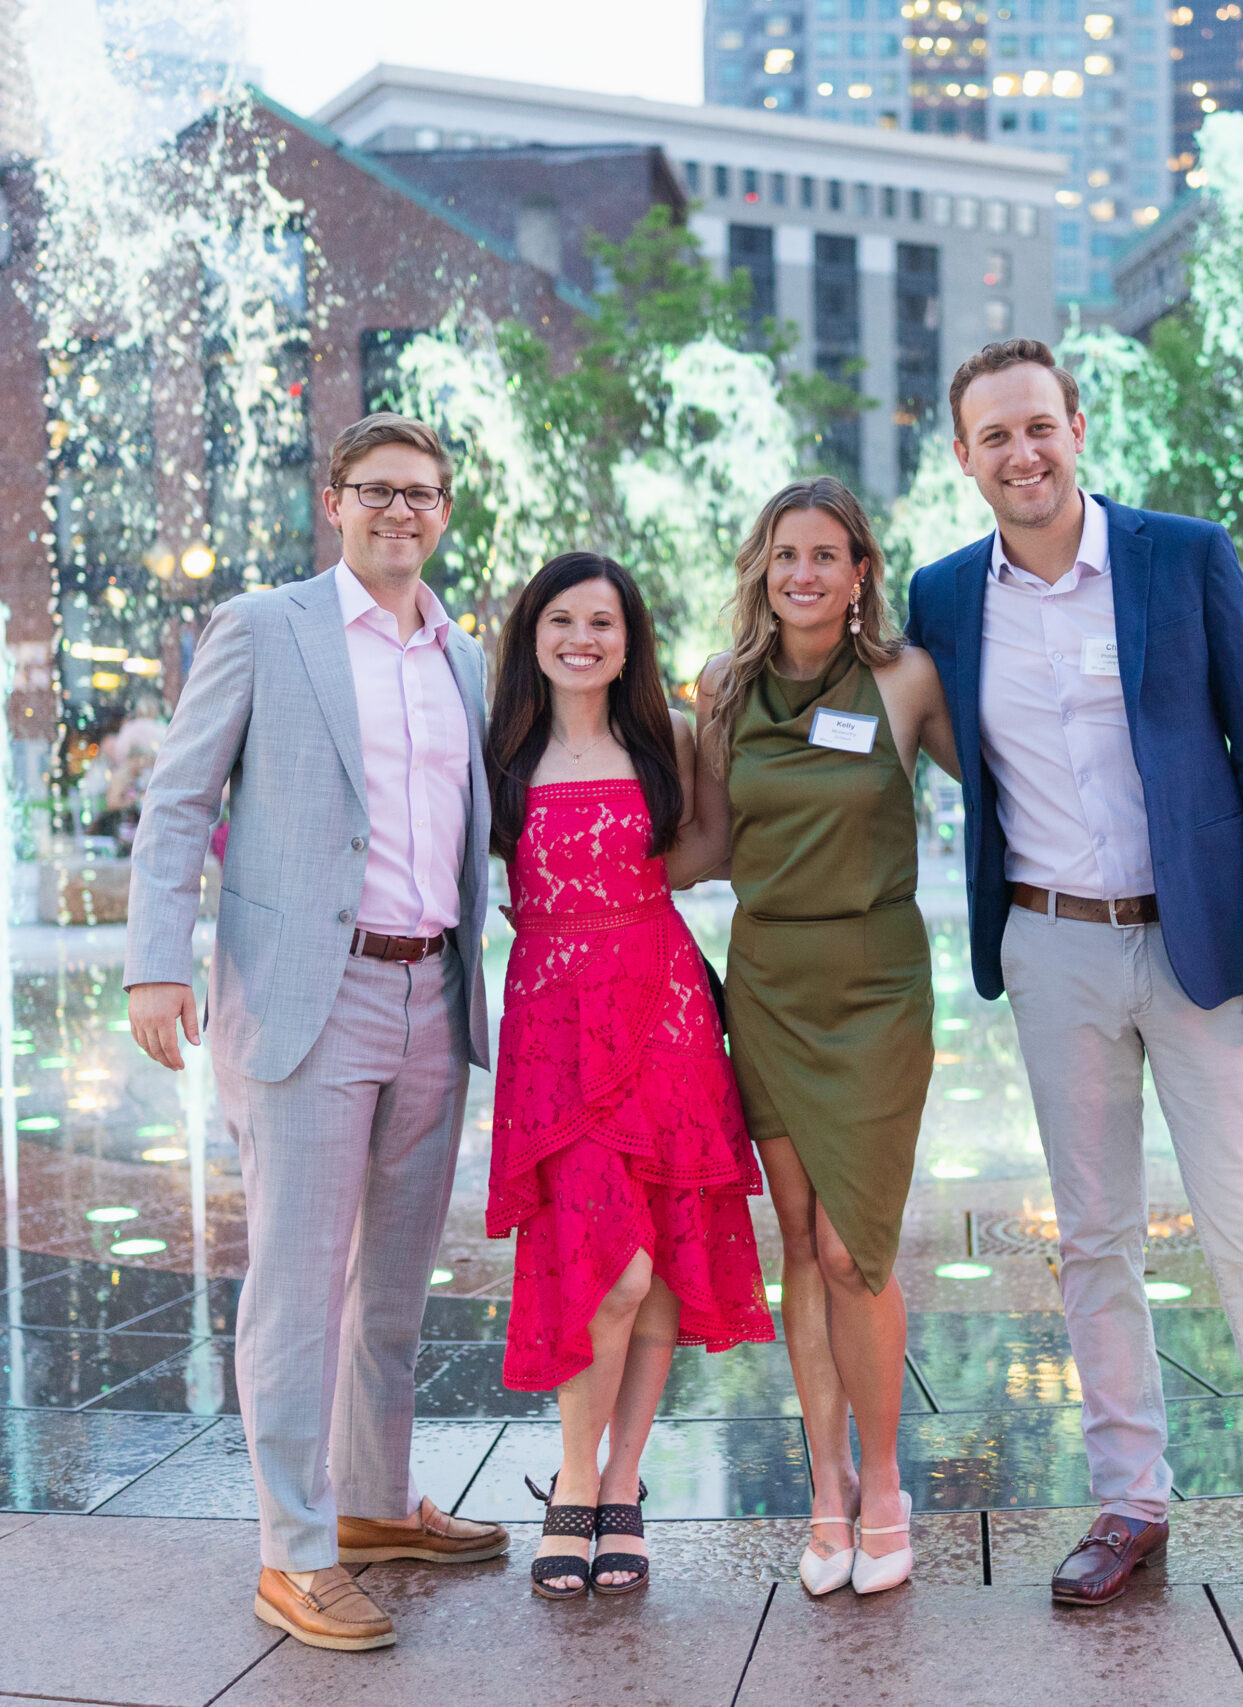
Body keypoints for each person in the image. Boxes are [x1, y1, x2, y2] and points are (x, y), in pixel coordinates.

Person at [903, 339, 1243, 1630]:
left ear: (1077, 426)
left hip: (1201, 944)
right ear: (963, 458)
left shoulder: (1183, 557)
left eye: (1038, 426)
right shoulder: (946, 595)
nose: (1021, 453)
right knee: (1094, 1240)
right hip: (1052, 943)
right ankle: (1131, 1498)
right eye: (993, 437)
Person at [124, 413, 507, 1655]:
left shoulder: (461, 655)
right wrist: (151, 968)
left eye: (426, 494)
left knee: (391, 1287)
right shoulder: (264, 627)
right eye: (380, 491)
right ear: (334, 500)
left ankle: (373, 1505)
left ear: (446, 512)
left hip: (431, 999)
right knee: (297, 1286)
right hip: (309, 995)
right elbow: (180, 798)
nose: (404, 512)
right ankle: (292, 1553)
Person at [687, 475, 957, 1599]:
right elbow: (704, 840)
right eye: (784, 553)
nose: (803, 572)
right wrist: (575, 891)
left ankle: (886, 1481)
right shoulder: (719, 686)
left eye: (826, 555)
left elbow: (1013, 784)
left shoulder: (904, 680)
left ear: (860, 575)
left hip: (876, 984)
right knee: (797, 1242)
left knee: (857, 1246)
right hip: (770, 982)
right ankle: (827, 1490)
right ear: (763, 567)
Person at [485, 552, 773, 1599]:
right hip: (554, 1029)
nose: (580, 639)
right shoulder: (501, 753)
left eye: (601, 622)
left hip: (662, 1011)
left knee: (653, 1259)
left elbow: (707, 847)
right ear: (533, 637)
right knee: (605, 1264)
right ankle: (574, 1480)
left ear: (626, 639)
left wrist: (632, 894)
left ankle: (619, 1486)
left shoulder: (670, 741)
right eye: (560, 620)